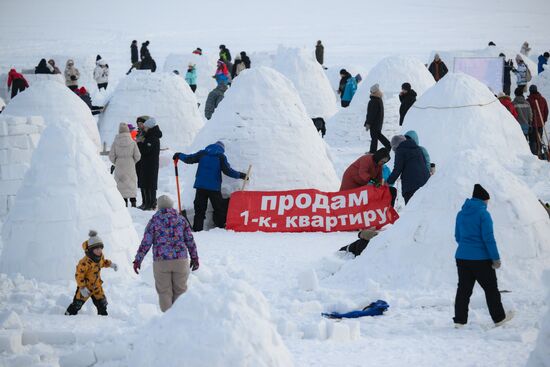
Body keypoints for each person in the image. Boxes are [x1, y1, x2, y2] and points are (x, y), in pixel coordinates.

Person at [453, 184, 513, 328]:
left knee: (463, 290)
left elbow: (457, 236)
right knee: (491, 289)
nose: (487, 204)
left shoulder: (461, 213)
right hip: (481, 259)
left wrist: (467, 247)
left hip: (462, 257)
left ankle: (460, 321)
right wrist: (495, 258)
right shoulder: (483, 214)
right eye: (487, 201)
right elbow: (488, 238)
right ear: (482, 200)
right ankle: (499, 319)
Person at [133, 195, 199, 312]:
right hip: (181, 261)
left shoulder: (154, 221)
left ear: (159, 207)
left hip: (161, 262)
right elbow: (190, 240)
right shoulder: (181, 219)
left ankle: (168, 320)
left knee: (164, 293)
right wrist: (195, 258)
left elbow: (146, 242)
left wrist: (138, 260)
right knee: (181, 291)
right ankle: (180, 318)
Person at [173, 141, 248, 232]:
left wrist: (179, 155)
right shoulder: (221, 156)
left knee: (199, 210)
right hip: (214, 188)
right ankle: (221, 228)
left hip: (200, 187)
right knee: (218, 209)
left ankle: (197, 229)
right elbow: (228, 171)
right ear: (222, 149)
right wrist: (241, 175)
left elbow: (189, 159)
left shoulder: (202, 153)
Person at [65, 230, 118, 316]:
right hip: (86, 287)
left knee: (102, 303)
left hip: (97, 286)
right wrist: (82, 288)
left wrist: (111, 264)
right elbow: (79, 275)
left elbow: (103, 262)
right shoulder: (84, 262)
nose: (99, 251)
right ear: (90, 249)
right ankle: (68, 314)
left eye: (101, 248)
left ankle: (103, 318)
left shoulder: (100, 257)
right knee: (77, 304)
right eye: (96, 249)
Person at [386, 134, 430, 204]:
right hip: (426, 181)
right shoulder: (418, 148)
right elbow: (425, 163)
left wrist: (388, 182)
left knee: (412, 208)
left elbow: (397, 169)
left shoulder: (400, 150)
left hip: (412, 185)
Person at [109, 123, 141, 207]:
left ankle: (124, 202)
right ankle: (133, 202)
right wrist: (132, 161)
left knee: (121, 183)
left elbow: (111, 156)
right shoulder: (132, 142)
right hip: (130, 164)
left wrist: (116, 161)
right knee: (131, 183)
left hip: (119, 165)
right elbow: (138, 156)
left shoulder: (115, 142)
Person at [138, 118, 162, 210]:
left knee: (150, 184)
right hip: (147, 163)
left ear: (149, 127)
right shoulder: (149, 136)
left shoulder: (153, 137)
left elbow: (145, 150)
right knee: (145, 183)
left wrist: (140, 143)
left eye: (145, 127)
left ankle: (150, 203)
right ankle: (146, 202)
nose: (144, 129)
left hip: (151, 164)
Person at [365, 84, 391, 153]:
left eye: (371, 92)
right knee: (378, 135)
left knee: (374, 137)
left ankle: (373, 151)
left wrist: (368, 123)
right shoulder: (379, 99)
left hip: (374, 123)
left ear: (374, 92)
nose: (370, 93)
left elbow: (371, 114)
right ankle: (389, 145)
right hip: (378, 122)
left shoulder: (373, 101)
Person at [526, 85, 548, 157]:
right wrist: (544, 120)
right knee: (539, 138)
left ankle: (534, 154)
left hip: (532, 124)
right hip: (540, 124)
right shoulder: (543, 99)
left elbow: (528, 112)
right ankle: (539, 151)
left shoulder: (529, 100)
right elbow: (546, 111)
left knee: (533, 139)